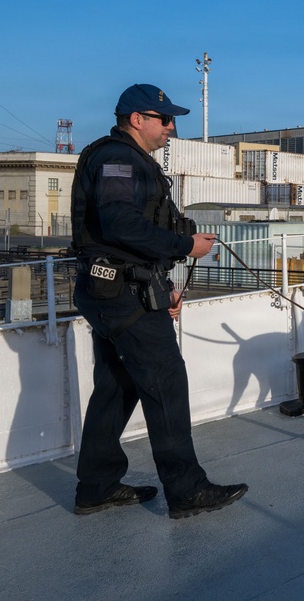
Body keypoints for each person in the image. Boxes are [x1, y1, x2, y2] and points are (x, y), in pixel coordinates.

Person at [70, 83, 248, 518]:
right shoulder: (117, 158)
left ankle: (96, 486)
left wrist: (160, 278)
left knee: (117, 384)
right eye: (164, 118)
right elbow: (119, 223)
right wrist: (185, 246)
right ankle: (187, 492)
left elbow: (128, 234)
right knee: (166, 383)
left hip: (116, 288)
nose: (171, 127)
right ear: (137, 119)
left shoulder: (124, 158)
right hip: (122, 295)